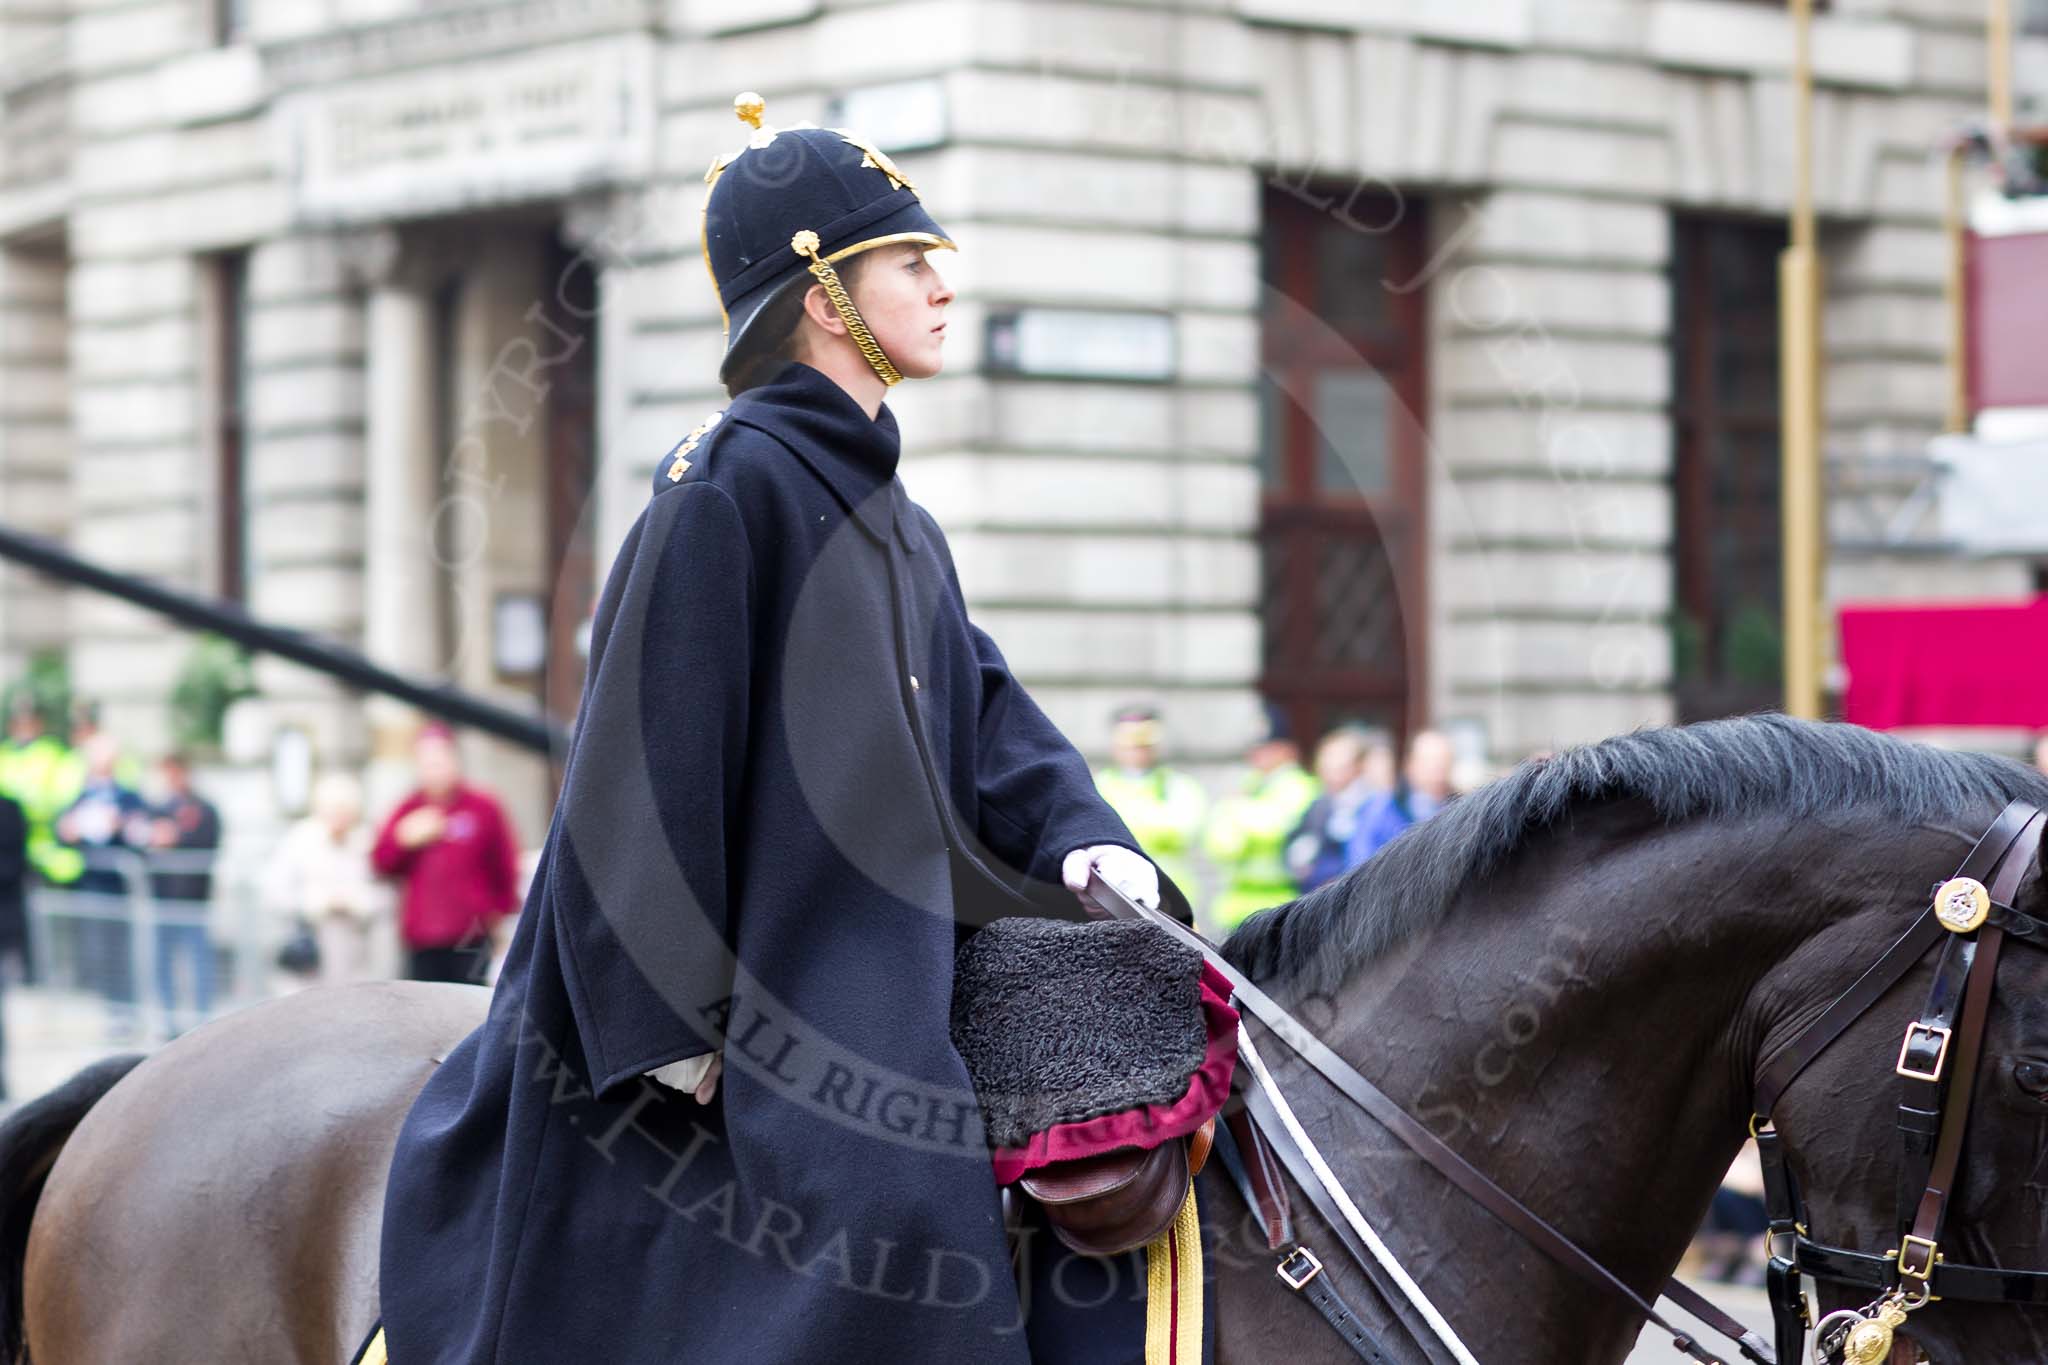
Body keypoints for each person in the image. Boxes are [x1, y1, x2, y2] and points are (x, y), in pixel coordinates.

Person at [375, 93, 1169, 1365]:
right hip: (773, 989)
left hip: (915, 955)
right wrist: (678, 1037)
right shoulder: (721, 488)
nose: (941, 285)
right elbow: (639, 779)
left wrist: (1082, 836)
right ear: (824, 294)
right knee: (899, 1207)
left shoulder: (896, 512)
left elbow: (989, 715)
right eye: (910, 262)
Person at [370, 724, 522, 985]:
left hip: (471, 933)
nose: (435, 769)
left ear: (455, 759)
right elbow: (380, 864)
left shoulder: (483, 807)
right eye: (427, 762)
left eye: (440, 760)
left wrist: (501, 920)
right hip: (422, 936)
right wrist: (404, 840)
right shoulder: (408, 809)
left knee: (470, 1010)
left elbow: (505, 866)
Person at [54, 732, 146, 1033]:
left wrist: (123, 825)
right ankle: (110, 1009)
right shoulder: (81, 795)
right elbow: (63, 829)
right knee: (98, 951)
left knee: (120, 951)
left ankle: (125, 1010)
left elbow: (141, 832)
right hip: (91, 885)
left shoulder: (127, 796)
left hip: (118, 884)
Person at [266, 771, 389, 989]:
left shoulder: (368, 840)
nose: (339, 817)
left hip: (356, 954)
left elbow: (387, 892)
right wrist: (318, 902)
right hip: (310, 955)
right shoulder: (301, 838)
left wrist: (356, 902)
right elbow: (275, 889)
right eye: (333, 809)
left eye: (345, 809)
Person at [1201, 707, 1318, 931]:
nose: (1258, 757)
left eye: (1268, 749)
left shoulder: (1299, 785)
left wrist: (1235, 812)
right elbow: (1218, 844)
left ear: (1287, 750)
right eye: (1256, 750)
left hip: (1280, 901)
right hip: (1235, 905)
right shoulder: (1250, 785)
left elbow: (1273, 827)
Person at [137, 752, 221, 1035]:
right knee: (163, 963)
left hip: (194, 901)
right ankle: (168, 1021)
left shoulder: (204, 809)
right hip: (163, 900)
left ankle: (203, 1020)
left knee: (199, 962)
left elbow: (207, 840)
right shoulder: (157, 808)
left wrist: (175, 838)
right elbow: (141, 839)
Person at [1093, 703, 1207, 908]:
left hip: (1172, 895)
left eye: (1143, 744)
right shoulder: (1098, 784)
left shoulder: (1179, 785)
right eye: (1130, 744)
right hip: (1116, 895)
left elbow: (1183, 831)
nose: (1137, 751)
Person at [0, 696, 85, 898]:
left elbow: (61, 795)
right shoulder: (4, 754)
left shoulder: (52, 752)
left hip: (47, 851)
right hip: (9, 851)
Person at [1286, 725, 1385, 892]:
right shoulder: (1318, 806)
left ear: (1358, 766)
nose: (1332, 771)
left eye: (1341, 765)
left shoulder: (1377, 807)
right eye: (1327, 763)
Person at [1347, 728, 1457, 865]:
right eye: (1430, 762)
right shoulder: (1381, 808)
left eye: (1443, 761)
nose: (1437, 769)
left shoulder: (1458, 810)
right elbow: (1360, 860)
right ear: (1411, 764)